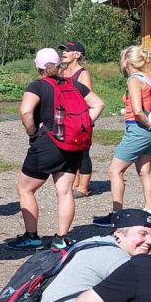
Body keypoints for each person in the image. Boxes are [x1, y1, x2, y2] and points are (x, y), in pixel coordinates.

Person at [7, 48, 106, 252]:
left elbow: (25, 111)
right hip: (73, 144)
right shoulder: (75, 84)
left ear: (38, 66)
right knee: (65, 191)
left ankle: (32, 236)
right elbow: (98, 104)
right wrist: (83, 125)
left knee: (25, 188)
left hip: (48, 143)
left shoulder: (37, 86)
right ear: (59, 65)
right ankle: (61, 238)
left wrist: (33, 132)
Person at [93, 45, 151, 222]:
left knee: (114, 171)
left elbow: (138, 111)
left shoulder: (133, 80)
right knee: (145, 172)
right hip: (149, 132)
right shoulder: (148, 78)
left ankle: (117, 215)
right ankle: (149, 211)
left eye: (122, 58)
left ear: (127, 60)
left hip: (139, 129)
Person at [60, 41, 95, 198]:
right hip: (65, 118)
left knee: (83, 151)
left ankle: (83, 187)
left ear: (77, 55)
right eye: (63, 50)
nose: (63, 53)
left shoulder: (82, 74)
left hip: (80, 118)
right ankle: (73, 183)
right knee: (69, 150)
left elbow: (89, 97)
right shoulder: (62, 72)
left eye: (67, 50)